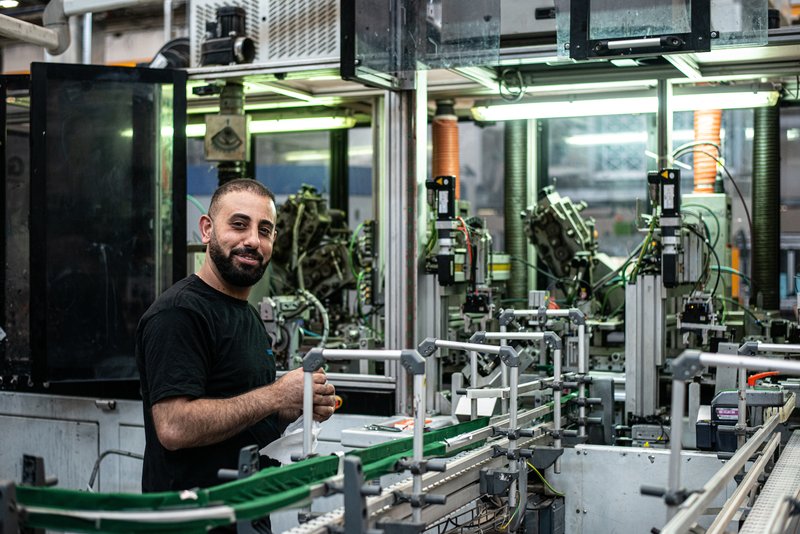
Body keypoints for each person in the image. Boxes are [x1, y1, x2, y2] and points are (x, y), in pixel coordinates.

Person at [135, 178, 335, 494]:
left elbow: (243, 410)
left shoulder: (248, 315)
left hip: (246, 512)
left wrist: (296, 407)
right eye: (239, 225)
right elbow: (174, 426)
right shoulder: (179, 313)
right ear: (207, 229)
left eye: (264, 230)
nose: (253, 240)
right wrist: (277, 394)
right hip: (194, 521)